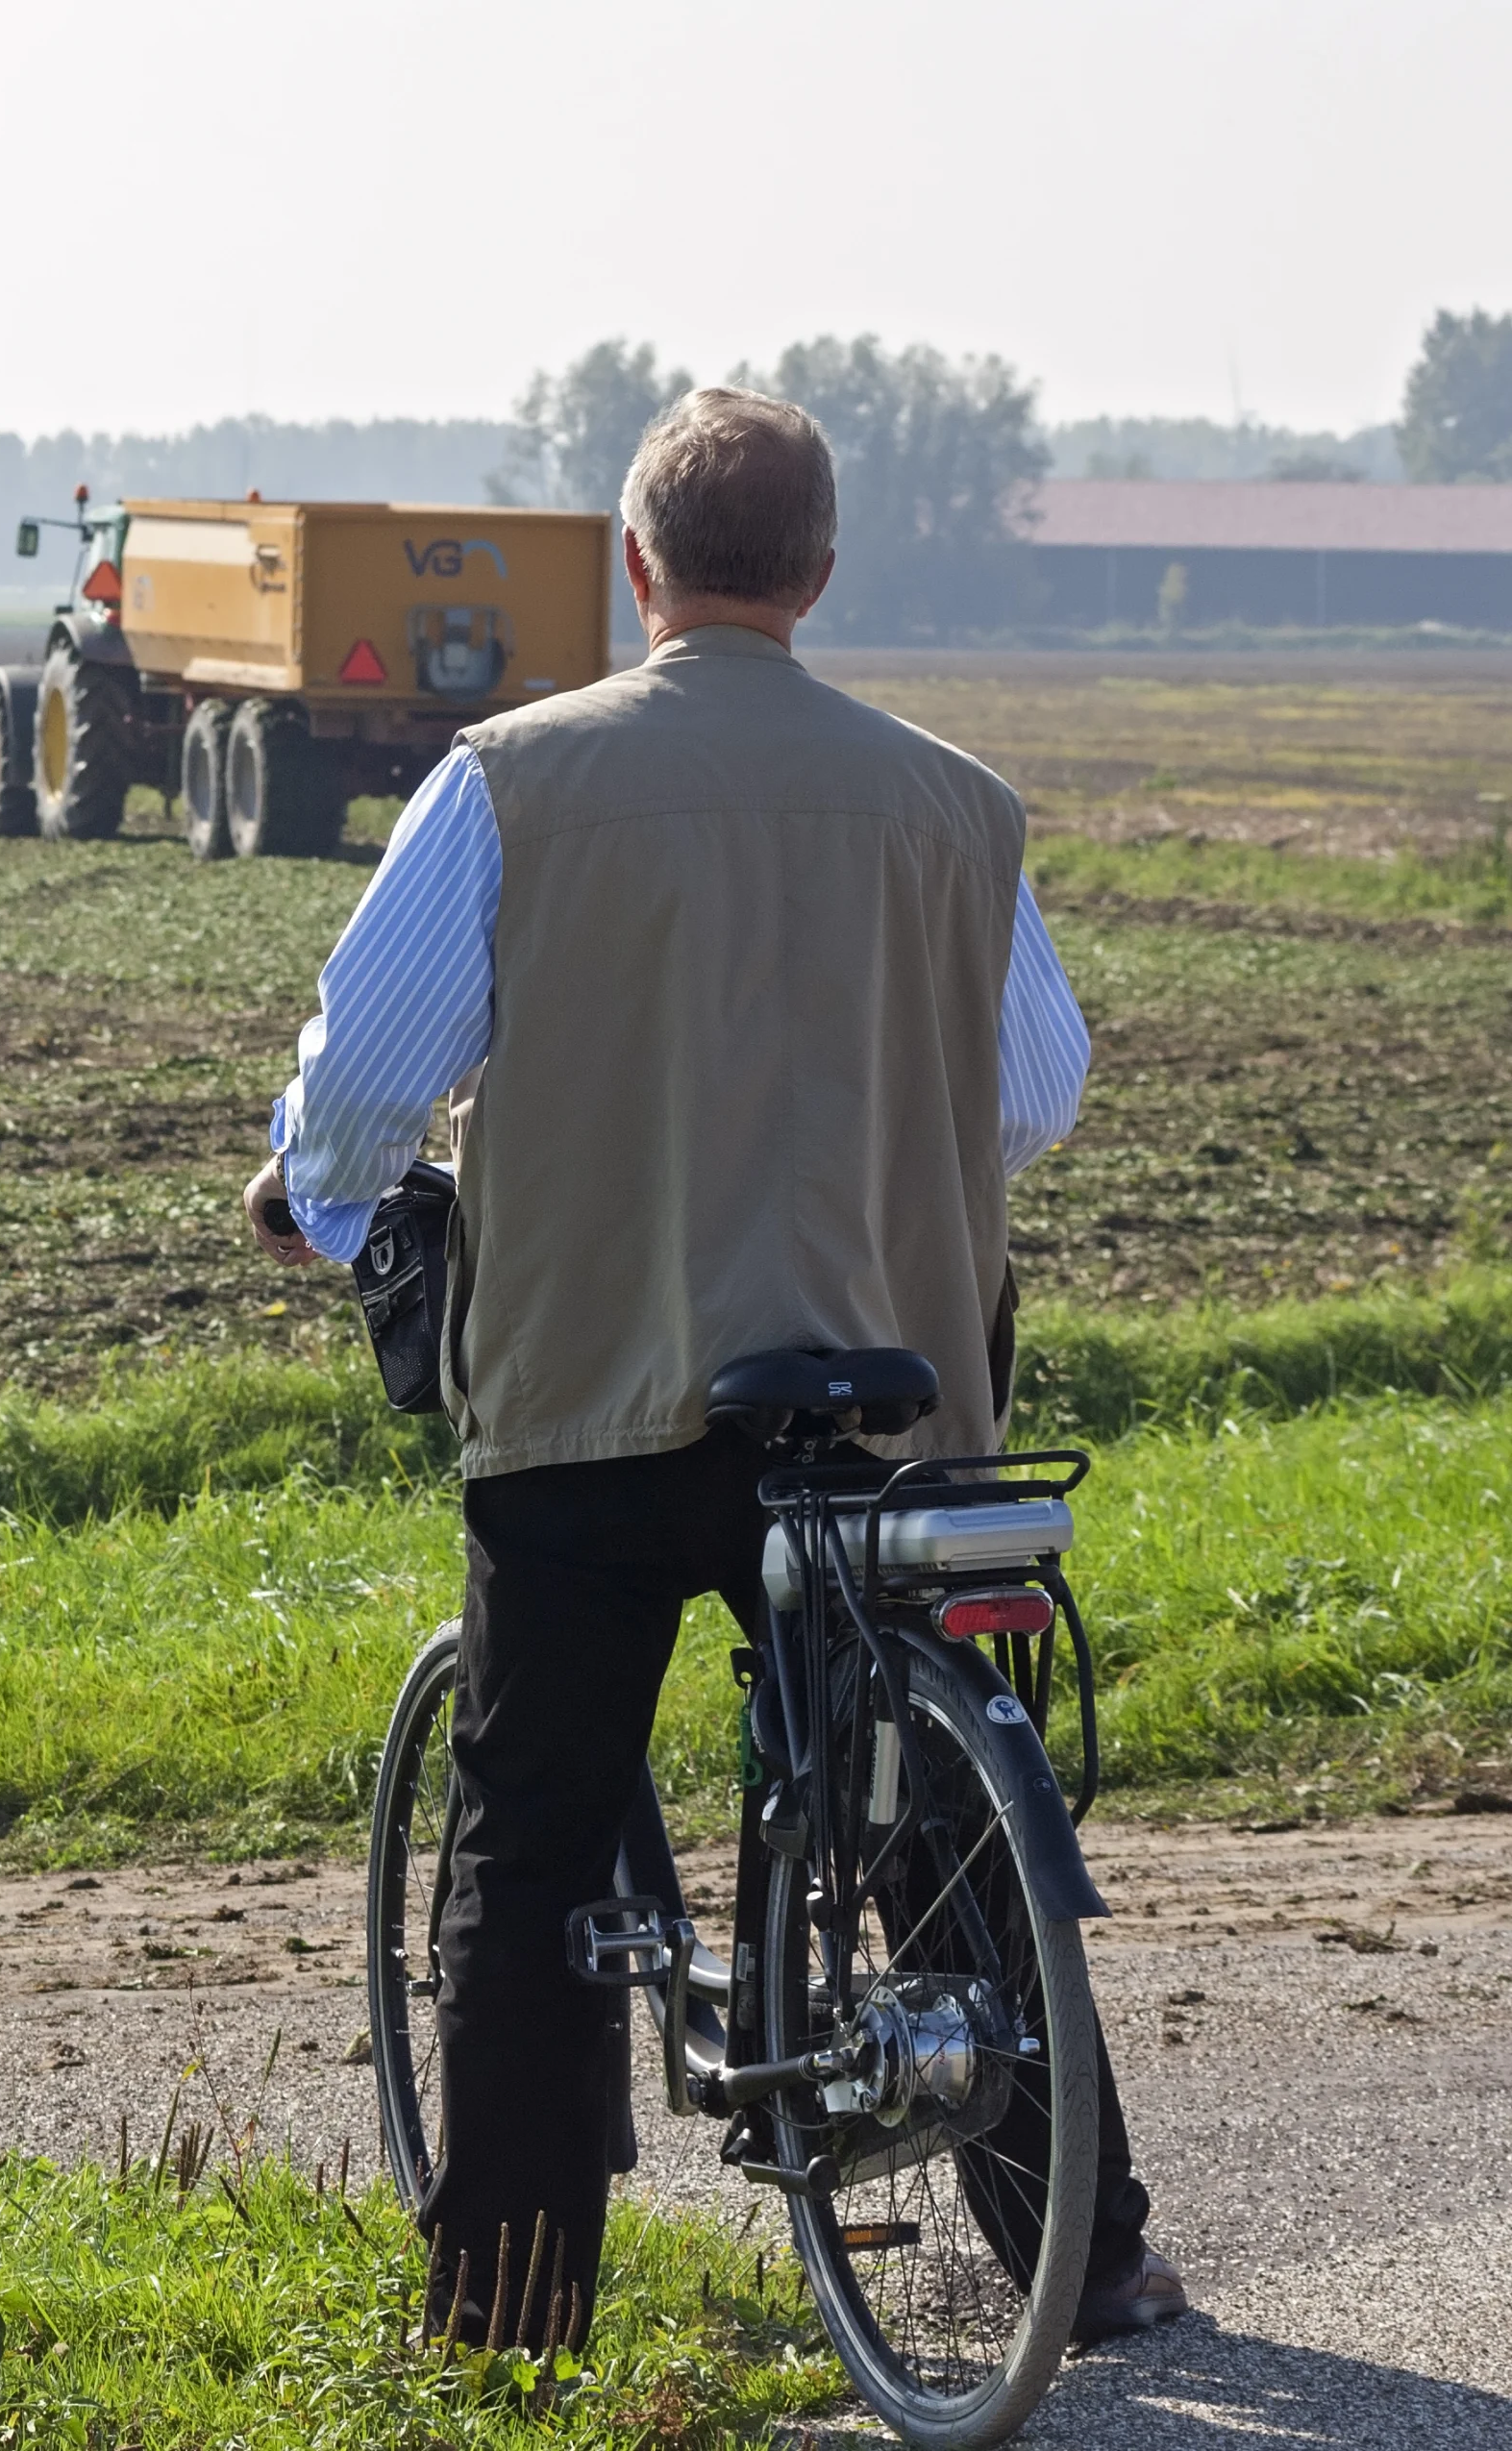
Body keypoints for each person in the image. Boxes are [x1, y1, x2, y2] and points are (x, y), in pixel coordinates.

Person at [240, 387, 1184, 2348]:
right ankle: (1083, 2256)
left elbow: (364, 1087)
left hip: (600, 1401)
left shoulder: (513, 782)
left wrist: (335, 1212)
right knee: (939, 1817)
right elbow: (1036, 1092)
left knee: (530, 1819)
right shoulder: (955, 802)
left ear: (638, 563)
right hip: (885, 1408)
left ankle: (510, 2321)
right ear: (822, 572)